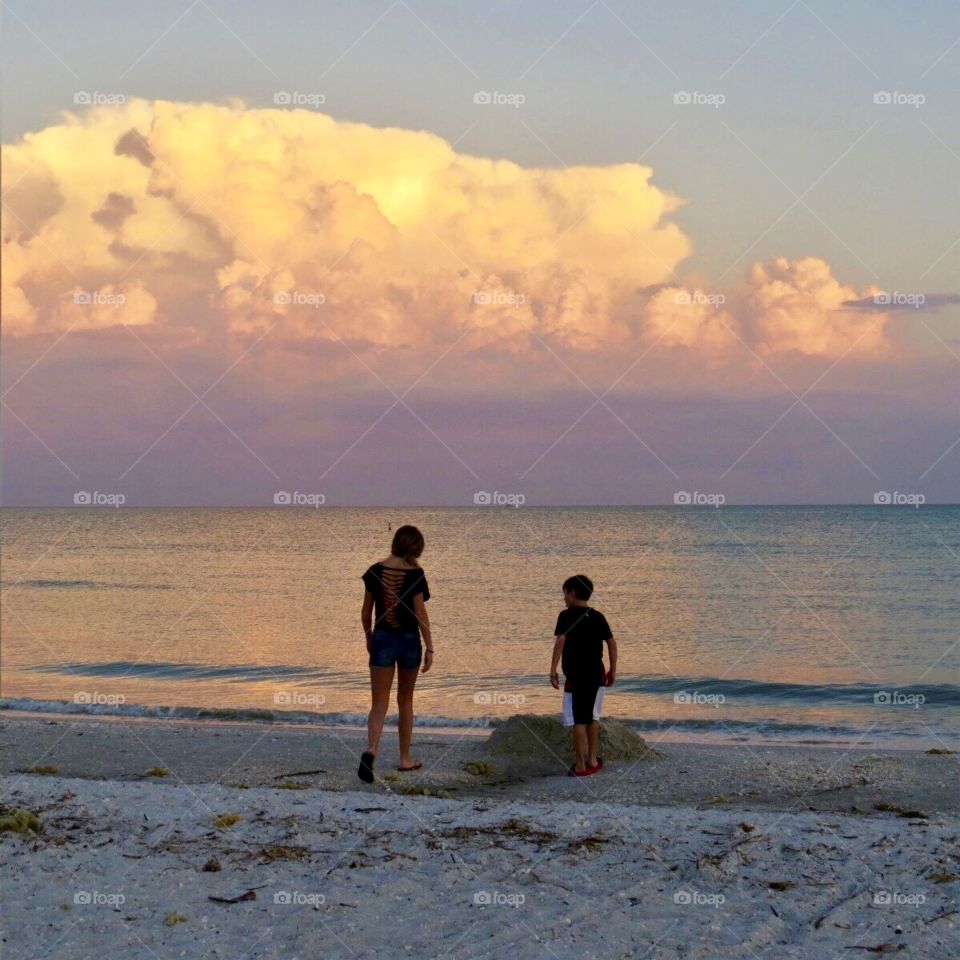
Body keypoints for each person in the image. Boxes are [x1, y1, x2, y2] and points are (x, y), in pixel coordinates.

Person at [358, 525, 433, 783]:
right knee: (406, 700)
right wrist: (430, 646)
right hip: (409, 640)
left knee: (379, 703)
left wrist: (369, 636)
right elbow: (420, 613)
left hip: (382, 638)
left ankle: (371, 750)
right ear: (415, 547)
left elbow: (366, 611)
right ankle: (404, 759)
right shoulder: (415, 574)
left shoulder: (374, 571)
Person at [549, 575, 617, 776]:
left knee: (578, 720)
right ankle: (593, 759)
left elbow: (560, 642)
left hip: (576, 675)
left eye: (564, 594)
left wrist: (553, 670)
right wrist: (613, 669)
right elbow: (612, 643)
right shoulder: (598, 616)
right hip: (597, 674)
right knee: (593, 717)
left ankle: (580, 765)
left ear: (573, 593)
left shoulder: (566, 616)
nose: (564, 599)